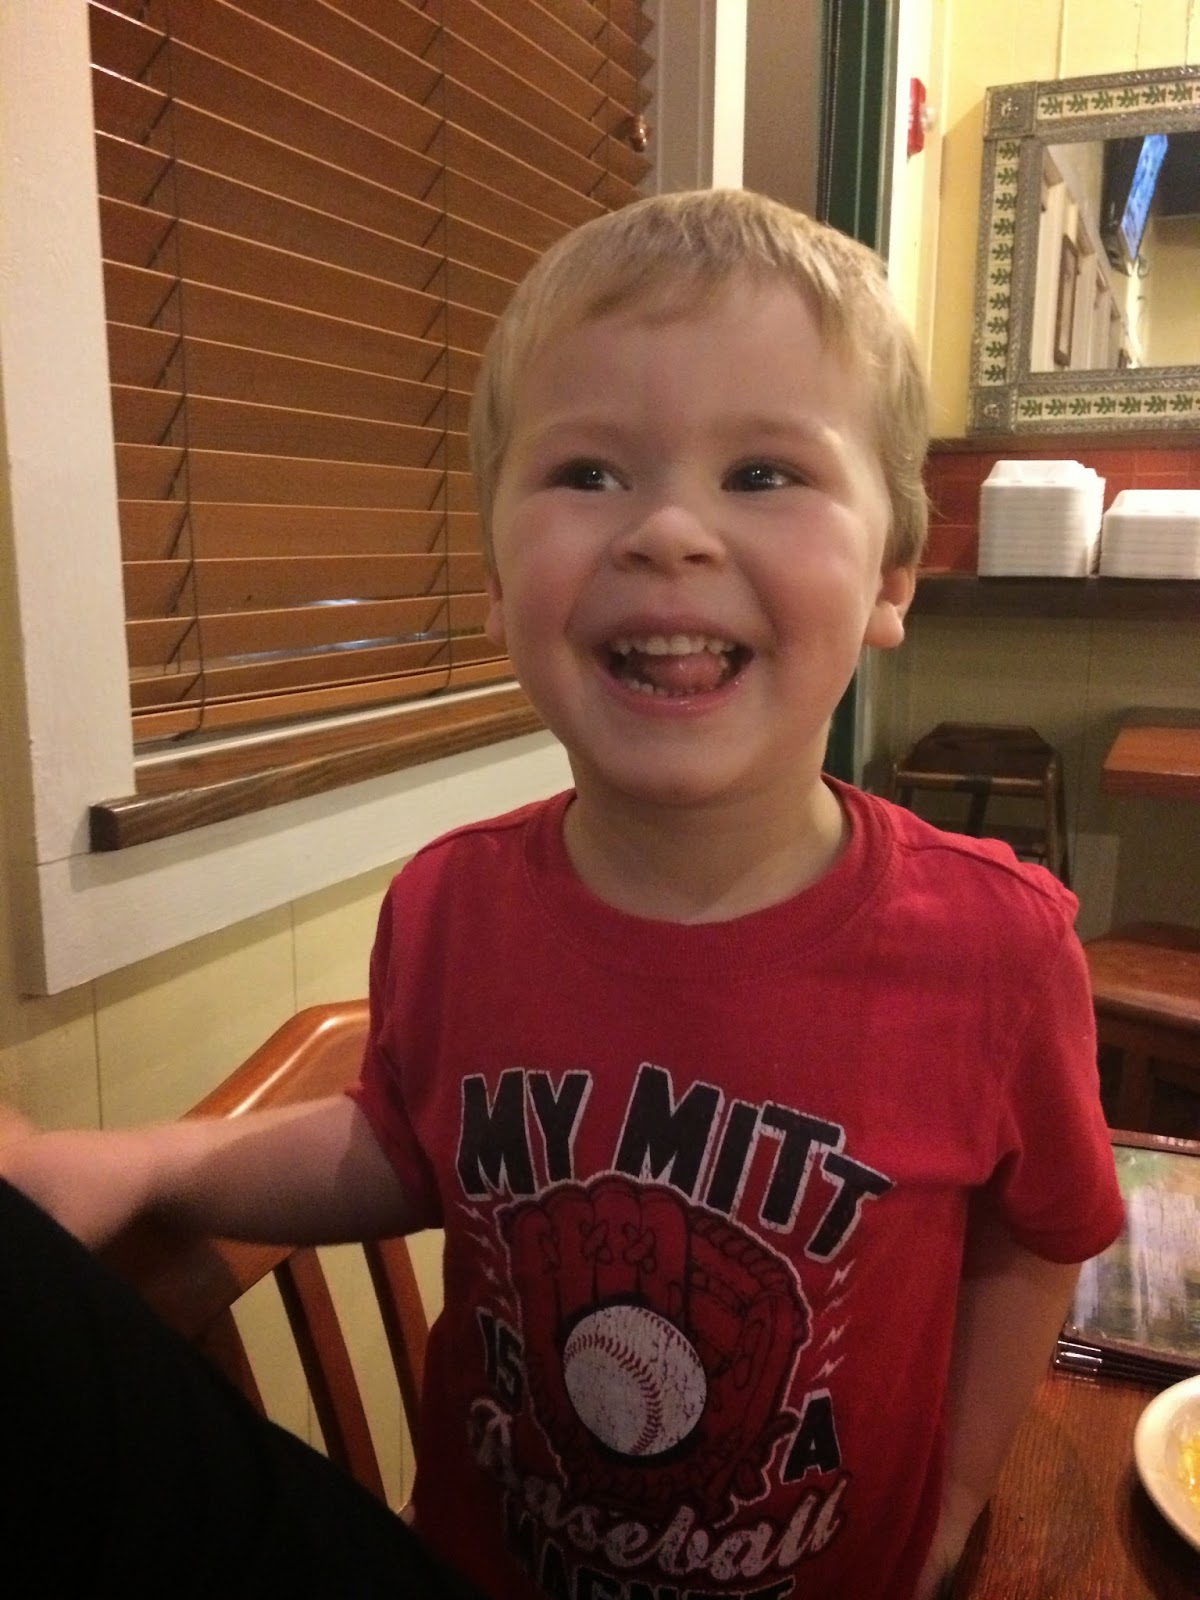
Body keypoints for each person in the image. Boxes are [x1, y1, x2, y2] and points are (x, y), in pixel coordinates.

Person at [0, 189, 1123, 1600]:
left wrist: (954, 1502)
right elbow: (406, 1144)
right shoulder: (450, 906)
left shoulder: (996, 947)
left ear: (893, 572)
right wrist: (149, 1165)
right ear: (493, 577)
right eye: (588, 472)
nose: (669, 531)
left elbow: (1040, 1235)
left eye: (764, 472)